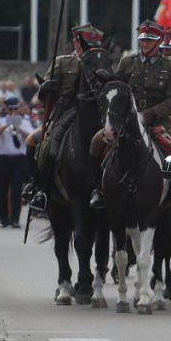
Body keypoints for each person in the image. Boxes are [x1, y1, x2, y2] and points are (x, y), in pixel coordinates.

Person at [87, 20, 171, 209]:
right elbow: (116, 88)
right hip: (128, 120)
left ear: (159, 41)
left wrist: (151, 113)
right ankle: (98, 190)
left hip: (160, 121)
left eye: (149, 40)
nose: (145, 44)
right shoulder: (127, 62)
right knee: (96, 141)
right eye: (142, 40)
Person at [25, 22, 105, 212]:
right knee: (37, 143)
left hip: (96, 115)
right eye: (84, 43)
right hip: (65, 114)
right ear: (76, 42)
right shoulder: (62, 62)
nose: (87, 48)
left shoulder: (100, 62)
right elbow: (42, 95)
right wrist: (46, 88)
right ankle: (40, 188)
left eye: (92, 45)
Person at [0, 96, 32, 227]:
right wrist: (6, 125)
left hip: (19, 158)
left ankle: (15, 219)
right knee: (2, 188)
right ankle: (4, 218)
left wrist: (19, 128)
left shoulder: (25, 121)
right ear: (7, 109)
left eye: (15, 108)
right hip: (4, 158)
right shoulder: (1, 120)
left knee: (17, 189)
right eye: (11, 109)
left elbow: (31, 138)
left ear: (19, 108)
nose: (13, 111)